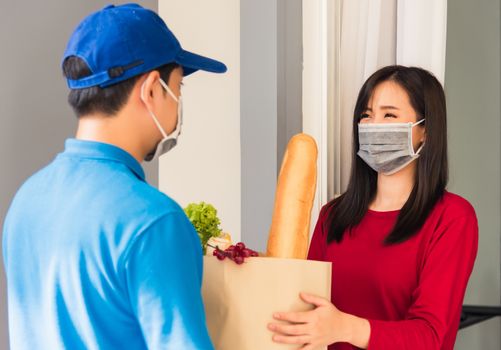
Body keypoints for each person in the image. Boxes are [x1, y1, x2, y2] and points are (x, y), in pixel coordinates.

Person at [2, 4, 226, 349]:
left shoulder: (26, 201)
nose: (178, 104)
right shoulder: (154, 221)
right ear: (152, 89)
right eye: (178, 89)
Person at [268, 65, 478, 350]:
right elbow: (304, 309)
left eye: (389, 114)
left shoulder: (451, 218)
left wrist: (344, 327)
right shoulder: (333, 215)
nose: (372, 125)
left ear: (424, 131)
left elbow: (430, 337)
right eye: (366, 115)